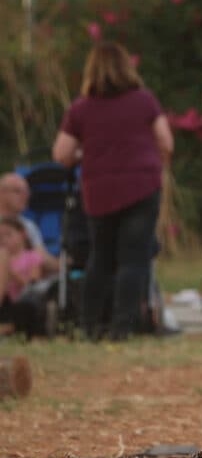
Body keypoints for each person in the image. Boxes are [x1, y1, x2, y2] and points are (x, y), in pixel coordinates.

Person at [52, 41, 174, 341]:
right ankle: (123, 327)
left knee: (100, 257)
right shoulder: (144, 101)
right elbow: (166, 143)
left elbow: (61, 154)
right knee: (133, 258)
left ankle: (89, 326)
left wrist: (86, 153)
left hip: (99, 188)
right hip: (142, 184)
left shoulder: (80, 108)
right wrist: (154, 164)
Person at [0, 218, 57, 337]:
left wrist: (10, 273)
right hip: (6, 302)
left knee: (25, 307)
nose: (4, 240)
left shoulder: (32, 257)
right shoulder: (3, 259)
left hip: (23, 301)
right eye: (1, 236)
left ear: (22, 234)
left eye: (8, 234)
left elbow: (31, 284)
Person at [0, 174, 46, 251]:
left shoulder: (29, 226)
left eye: (27, 192)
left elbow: (41, 256)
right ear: (1, 193)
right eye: (17, 191)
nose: (25, 196)